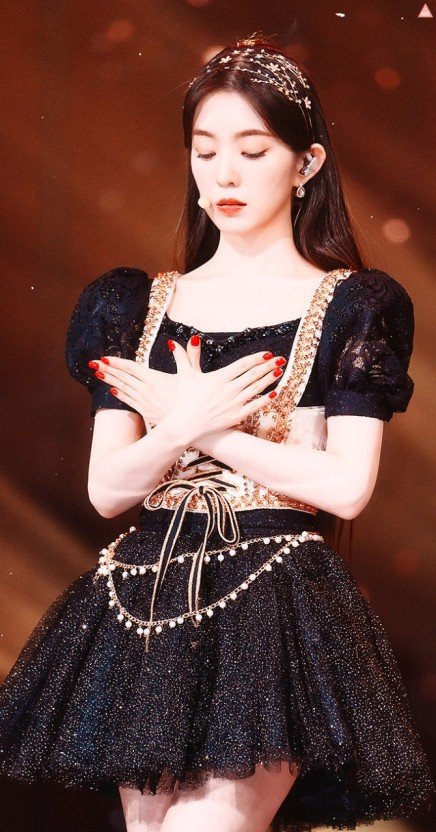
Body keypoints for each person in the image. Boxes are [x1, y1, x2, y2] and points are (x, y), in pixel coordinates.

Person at [0, 32, 434, 832]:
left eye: (252, 150)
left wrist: (199, 425)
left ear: (305, 163)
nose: (224, 173)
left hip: (272, 601)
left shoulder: (353, 306)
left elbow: (346, 487)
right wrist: (187, 424)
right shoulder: (134, 305)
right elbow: (108, 490)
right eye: (205, 151)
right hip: (147, 600)